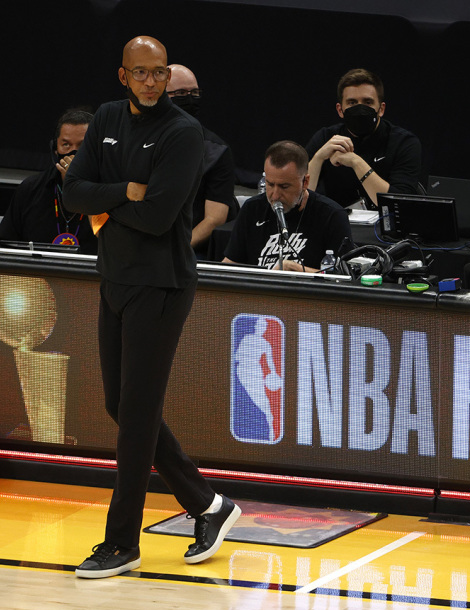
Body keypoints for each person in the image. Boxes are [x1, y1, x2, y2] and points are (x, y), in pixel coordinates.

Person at [63, 35, 241, 579]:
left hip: (161, 285)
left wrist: (106, 199)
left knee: (135, 416)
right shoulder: (108, 118)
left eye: (158, 73)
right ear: (123, 76)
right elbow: (72, 192)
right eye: (139, 73)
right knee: (123, 407)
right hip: (114, 277)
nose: (149, 81)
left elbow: (161, 217)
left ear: (168, 77)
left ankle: (122, 543)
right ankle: (209, 506)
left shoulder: (183, 132)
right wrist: (126, 192)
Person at [223, 140, 352, 271]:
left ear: (305, 182)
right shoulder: (252, 208)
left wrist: (293, 268)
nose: (275, 195)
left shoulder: (332, 216)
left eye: (284, 187)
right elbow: (230, 264)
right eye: (270, 184)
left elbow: (345, 278)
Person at [305, 68, 422, 210]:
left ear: (381, 109)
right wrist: (318, 158)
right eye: (352, 103)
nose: (360, 109)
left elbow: (400, 205)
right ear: (340, 110)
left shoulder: (404, 143)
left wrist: (356, 162)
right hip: (338, 226)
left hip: (385, 227)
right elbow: (299, 198)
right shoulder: (325, 138)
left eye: (367, 102)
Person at [0, 109, 98, 254]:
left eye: (82, 146)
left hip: (90, 275)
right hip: (36, 274)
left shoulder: (109, 190)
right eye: (66, 145)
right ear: (55, 149)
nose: (74, 154)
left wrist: (83, 185)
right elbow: (3, 245)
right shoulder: (30, 189)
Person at [167, 63, 238, 257]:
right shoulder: (141, 143)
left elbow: (214, 219)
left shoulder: (216, 152)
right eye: (180, 94)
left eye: (195, 93)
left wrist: (176, 250)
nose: (190, 99)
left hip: (190, 250)